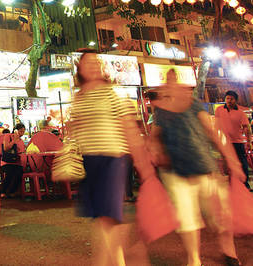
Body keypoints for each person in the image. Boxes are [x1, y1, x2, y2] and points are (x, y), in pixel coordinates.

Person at [68, 50, 152, 266]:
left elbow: (129, 129)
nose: (93, 66)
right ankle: (118, 260)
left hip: (112, 158)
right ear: (80, 69)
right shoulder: (79, 96)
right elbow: (75, 126)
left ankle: (108, 261)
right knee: (101, 217)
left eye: (96, 63)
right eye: (88, 63)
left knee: (109, 216)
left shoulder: (114, 92)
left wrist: (143, 163)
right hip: (88, 160)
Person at [152, 70, 243, 266]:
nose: (172, 85)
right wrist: (155, 151)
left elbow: (211, 131)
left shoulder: (193, 105)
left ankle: (230, 253)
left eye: (174, 80)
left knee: (220, 218)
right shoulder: (160, 111)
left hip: (205, 169)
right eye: (168, 82)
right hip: (176, 173)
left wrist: (231, 159)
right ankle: (194, 260)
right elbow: (154, 137)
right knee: (187, 220)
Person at [214, 90, 252, 189]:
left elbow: (246, 128)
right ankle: (232, 183)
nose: (229, 101)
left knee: (242, 162)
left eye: (231, 99)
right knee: (228, 163)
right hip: (225, 142)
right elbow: (217, 125)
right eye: (227, 98)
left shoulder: (240, 113)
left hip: (238, 141)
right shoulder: (219, 110)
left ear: (235, 100)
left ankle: (245, 183)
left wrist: (248, 142)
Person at [0, 124, 26, 197]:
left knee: (19, 173)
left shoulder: (21, 141)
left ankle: (12, 192)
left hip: (17, 162)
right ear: (16, 130)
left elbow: (22, 151)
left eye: (23, 131)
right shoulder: (8, 136)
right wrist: (14, 140)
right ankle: (3, 191)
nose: (22, 133)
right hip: (7, 162)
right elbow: (6, 148)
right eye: (20, 131)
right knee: (10, 173)